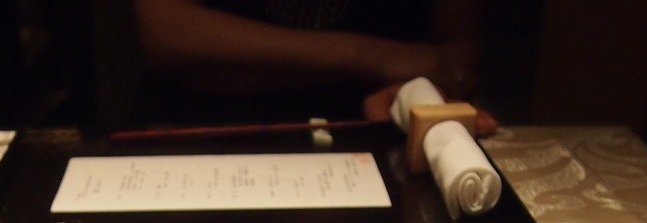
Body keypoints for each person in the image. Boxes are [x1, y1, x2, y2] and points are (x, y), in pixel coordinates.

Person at [130, 0, 495, 130]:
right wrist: (370, 57)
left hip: (383, 124)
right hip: (204, 124)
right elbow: (166, 34)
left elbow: (454, 56)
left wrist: (416, 90)